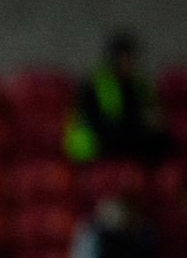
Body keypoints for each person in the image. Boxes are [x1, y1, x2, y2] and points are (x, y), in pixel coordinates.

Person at [65, 30, 170, 164]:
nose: (128, 63)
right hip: (98, 138)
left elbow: (147, 112)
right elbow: (97, 121)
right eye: (124, 58)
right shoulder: (96, 84)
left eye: (131, 58)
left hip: (127, 134)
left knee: (161, 139)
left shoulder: (137, 85)